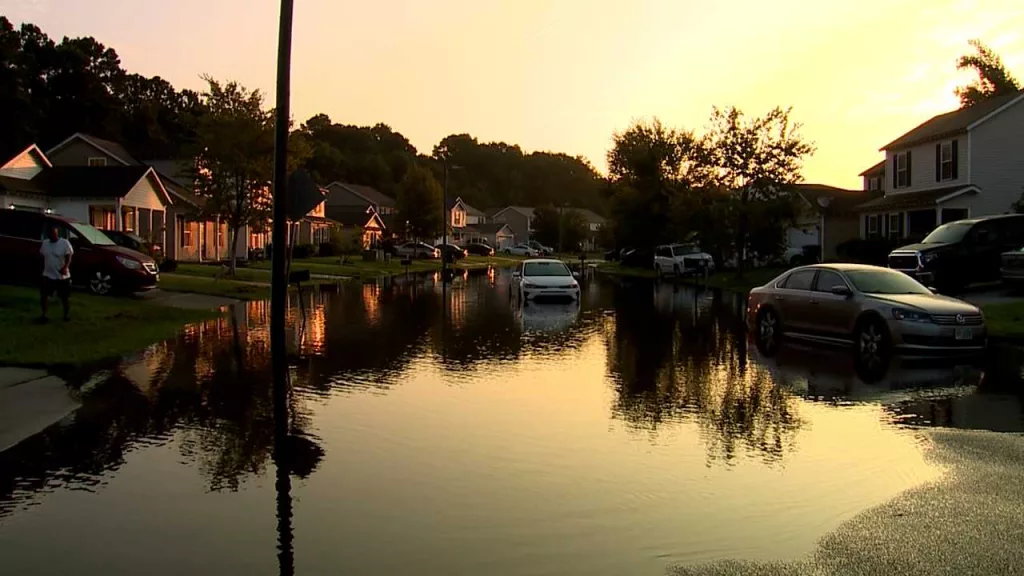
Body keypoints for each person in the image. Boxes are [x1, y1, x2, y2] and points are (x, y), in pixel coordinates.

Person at [40, 224, 74, 322]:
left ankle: (66, 315)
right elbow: (42, 256)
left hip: (62, 276)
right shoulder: (45, 244)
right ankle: (44, 315)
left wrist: (65, 267)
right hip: (48, 274)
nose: (52, 236)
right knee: (44, 296)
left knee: (65, 297)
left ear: (57, 233)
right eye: (50, 234)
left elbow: (69, 256)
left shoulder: (64, 243)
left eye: (54, 233)